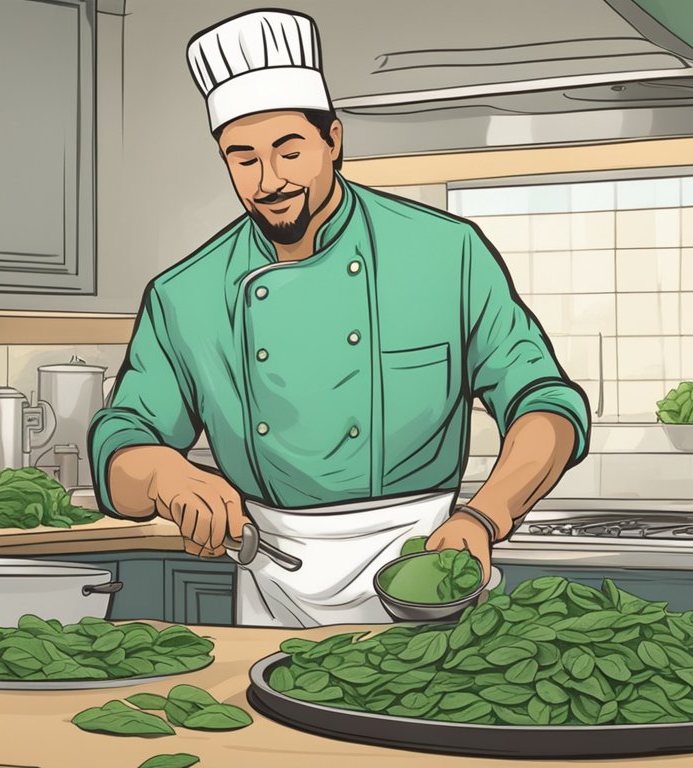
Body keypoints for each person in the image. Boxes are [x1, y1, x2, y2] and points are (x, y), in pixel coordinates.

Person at [89, 8, 591, 628]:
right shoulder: (185, 295)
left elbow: (546, 403)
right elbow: (121, 444)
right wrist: (164, 473)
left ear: (333, 139)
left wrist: (485, 516)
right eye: (242, 159)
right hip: (274, 581)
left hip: (427, 569)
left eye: (289, 151)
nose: (269, 180)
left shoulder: (444, 253)